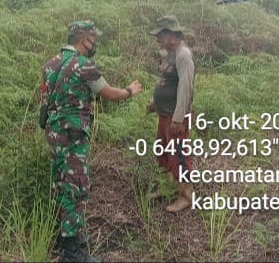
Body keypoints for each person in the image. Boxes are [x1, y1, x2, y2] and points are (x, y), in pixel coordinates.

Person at [41, 20, 143, 262]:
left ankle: (67, 234)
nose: (94, 45)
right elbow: (110, 94)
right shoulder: (84, 66)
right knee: (75, 186)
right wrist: (130, 90)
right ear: (82, 39)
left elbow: (44, 99)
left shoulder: (50, 64)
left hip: (54, 131)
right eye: (93, 40)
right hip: (73, 133)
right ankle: (72, 253)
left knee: (61, 181)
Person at [146, 15, 196, 213]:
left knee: (179, 156)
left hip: (175, 117)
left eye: (161, 34)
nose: (158, 38)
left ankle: (186, 196)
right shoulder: (169, 53)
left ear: (171, 35)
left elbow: (186, 88)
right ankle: (166, 187)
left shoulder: (183, 55)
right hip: (164, 114)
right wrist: (154, 103)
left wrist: (178, 118)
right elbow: (166, 81)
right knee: (164, 153)